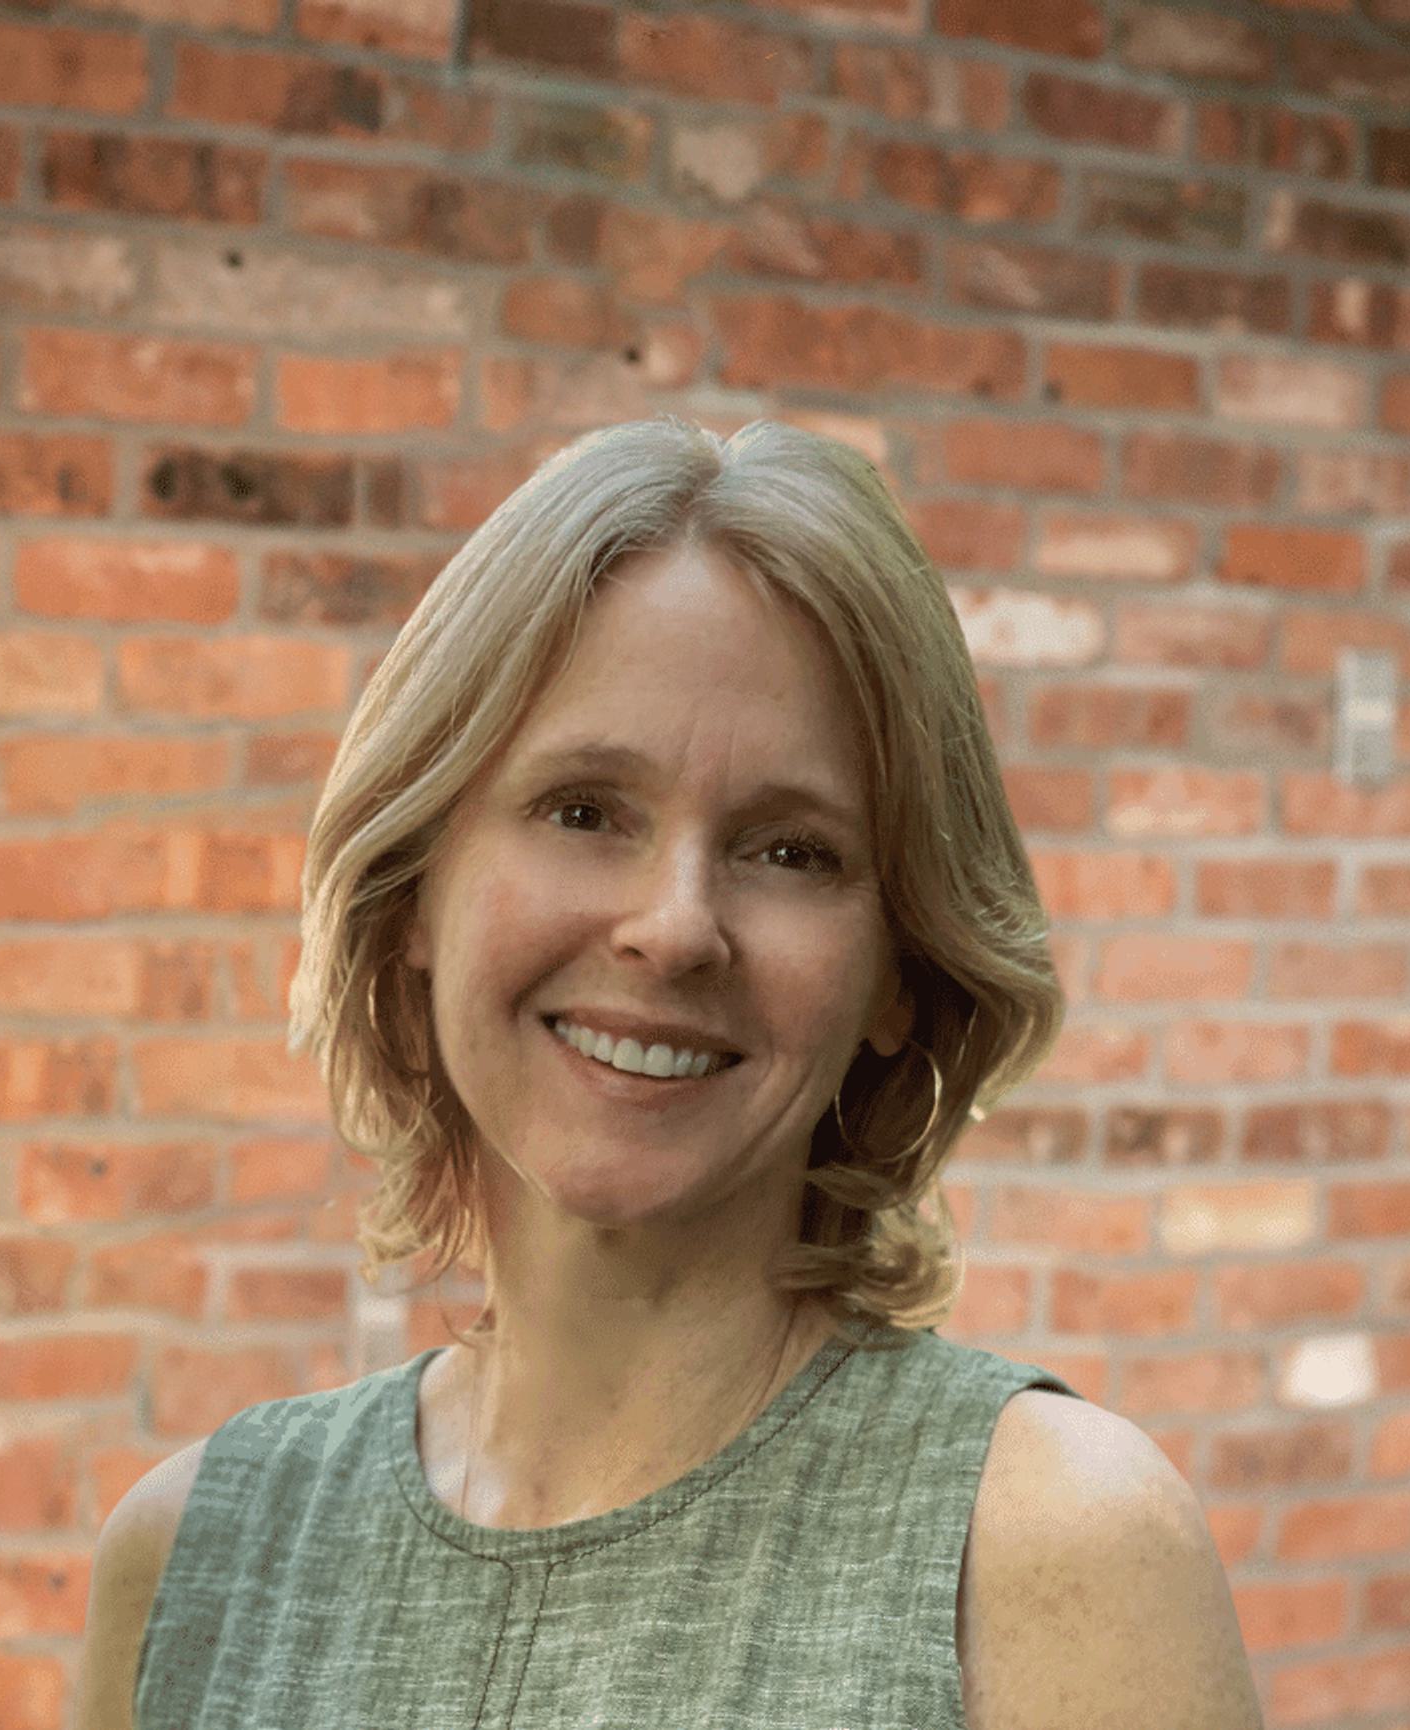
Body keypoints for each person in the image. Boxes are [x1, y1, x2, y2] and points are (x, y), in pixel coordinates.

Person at [75, 416, 1264, 1729]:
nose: (675, 923)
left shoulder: (1055, 1553)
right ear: (418, 887)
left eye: (791, 849)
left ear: (898, 971)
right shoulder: (196, 1561)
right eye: (585, 810)